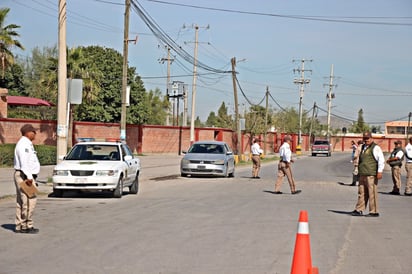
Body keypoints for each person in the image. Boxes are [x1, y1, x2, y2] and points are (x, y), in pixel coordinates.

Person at [13, 124, 41, 234]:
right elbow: (24, 163)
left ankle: (20, 225)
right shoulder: (23, 145)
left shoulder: (27, 144)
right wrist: (29, 178)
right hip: (25, 176)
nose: (35, 134)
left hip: (26, 175)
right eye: (33, 132)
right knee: (29, 201)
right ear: (28, 132)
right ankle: (26, 225)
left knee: (22, 201)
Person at [352, 132, 385, 217]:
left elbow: (381, 160)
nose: (366, 140)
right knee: (361, 192)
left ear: (371, 138)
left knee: (372, 193)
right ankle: (359, 209)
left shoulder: (376, 148)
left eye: (368, 138)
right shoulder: (362, 147)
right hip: (363, 173)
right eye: (365, 138)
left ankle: (374, 211)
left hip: (371, 174)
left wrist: (380, 171)